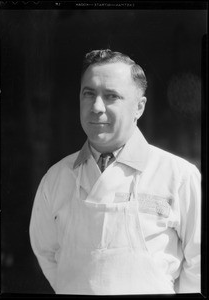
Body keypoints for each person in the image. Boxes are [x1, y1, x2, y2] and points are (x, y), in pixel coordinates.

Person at [29, 49, 201, 295]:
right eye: (88, 94)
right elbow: (46, 252)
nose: (97, 107)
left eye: (111, 96)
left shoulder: (179, 176)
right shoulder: (56, 178)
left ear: (139, 107)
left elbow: (200, 264)